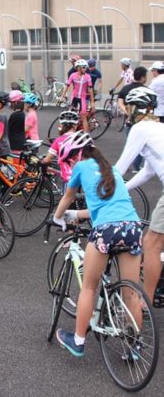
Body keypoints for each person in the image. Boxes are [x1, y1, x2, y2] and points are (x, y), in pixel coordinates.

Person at [53, 131, 142, 357]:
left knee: (89, 288)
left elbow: (67, 197)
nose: (70, 165)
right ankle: (134, 348)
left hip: (105, 231)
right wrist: (76, 214)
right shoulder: (110, 170)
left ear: (76, 155)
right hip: (132, 226)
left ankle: (78, 341)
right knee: (131, 292)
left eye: (70, 160)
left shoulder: (81, 167)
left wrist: (58, 217)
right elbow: (102, 207)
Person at [115, 86, 164, 303]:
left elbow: (120, 168)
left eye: (128, 107)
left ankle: (145, 301)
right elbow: (148, 171)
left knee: (151, 243)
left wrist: (98, 190)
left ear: (135, 108)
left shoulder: (140, 128)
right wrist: (123, 189)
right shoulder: (157, 128)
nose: (126, 111)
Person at [117, 66, 148, 172]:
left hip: (129, 121)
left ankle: (122, 167)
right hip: (142, 122)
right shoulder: (146, 90)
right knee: (141, 145)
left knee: (129, 145)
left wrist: (126, 112)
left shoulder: (126, 88)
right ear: (143, 77)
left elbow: (120, 102)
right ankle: (136, 166)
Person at [62, 59, 94, 133]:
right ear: (78, 68)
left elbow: (90, 89)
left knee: (83, 116)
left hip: (82, 98)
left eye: (85, 67)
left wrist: (92, 102)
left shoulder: (88, 77)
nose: (85, 69)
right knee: (70, 115)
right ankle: (70, 132)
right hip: (74, 97)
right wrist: (62, 97)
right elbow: (67, 86)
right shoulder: (73, 75)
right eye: (83, 67)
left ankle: (86, 135)